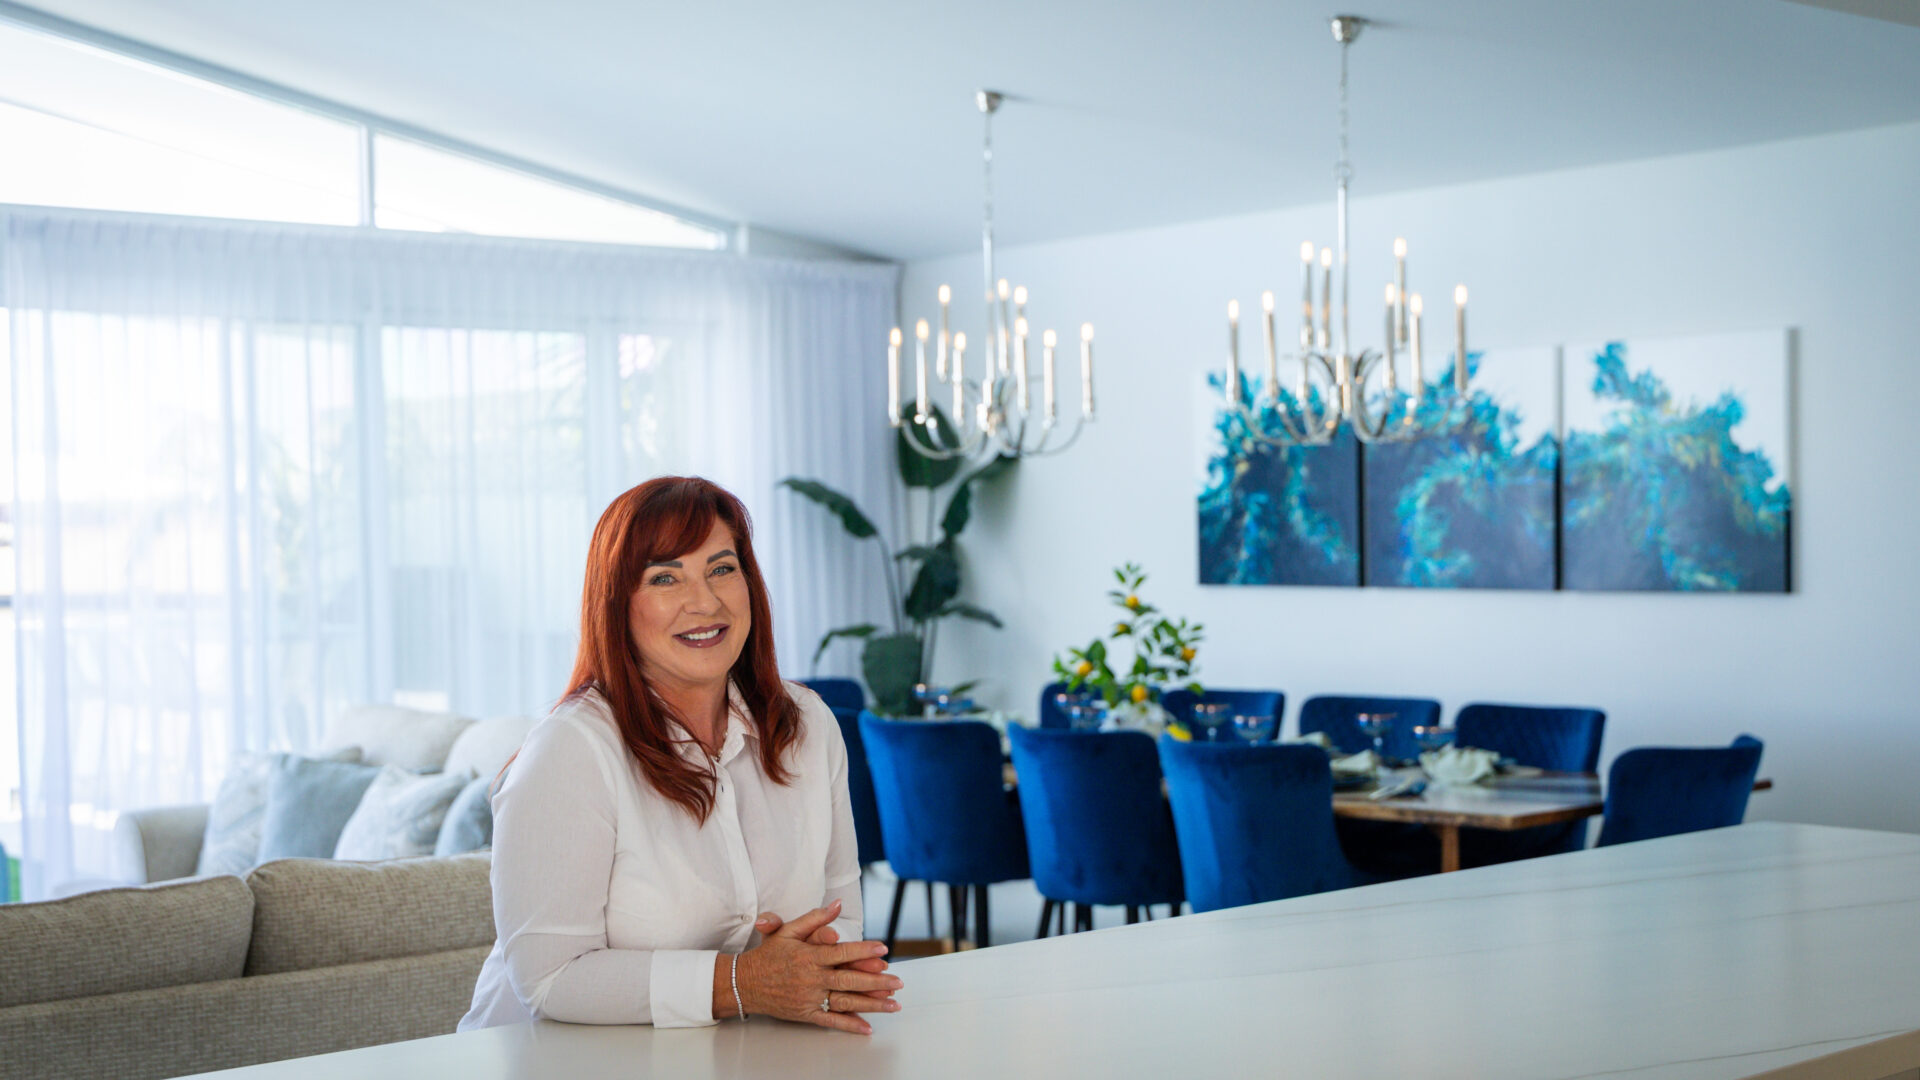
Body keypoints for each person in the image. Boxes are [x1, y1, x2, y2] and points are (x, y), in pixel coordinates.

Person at [460, 476, 902, 1035]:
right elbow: (549, 980)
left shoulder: (808, 723)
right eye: (665, 577)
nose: (705, 601)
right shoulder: (570, 751)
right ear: (618, 606)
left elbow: (841, 921)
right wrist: (741, 982)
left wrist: (817, 969)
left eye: (722, 568)